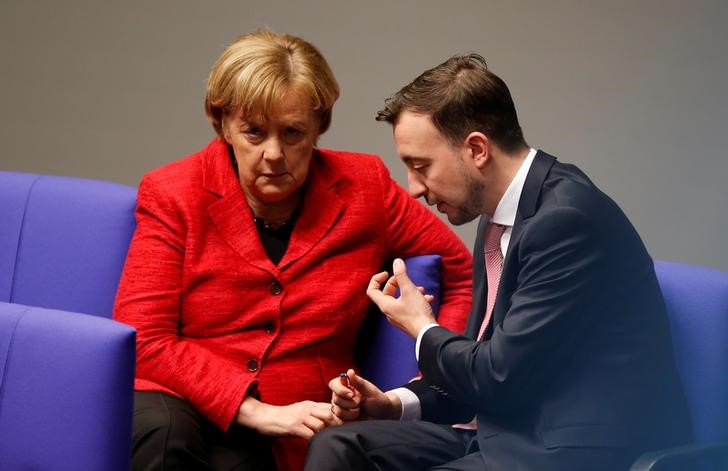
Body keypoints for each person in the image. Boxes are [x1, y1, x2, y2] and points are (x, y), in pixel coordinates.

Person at [304, 54, 692, 470]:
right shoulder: (498, 219)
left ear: (476, 149)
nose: (413, 188)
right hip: (504, 428)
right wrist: (391, 403)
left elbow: (497, 377)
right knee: (339, 446)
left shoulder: (565, 220)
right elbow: (481, 367)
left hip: (568, 450)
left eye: (421, 166)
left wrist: (421, 327)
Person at [113, 30, 473, 471]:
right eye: (253, 132)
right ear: (222, 121)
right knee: (165, 440)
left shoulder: (366, 187)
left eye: (293, 133)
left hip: (303, 414)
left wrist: (431, 378)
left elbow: (462, 270)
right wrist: (254, 410)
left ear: (319, 125)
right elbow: (144, 338)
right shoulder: (173, 192)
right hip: (180, 398)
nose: (274, 154)